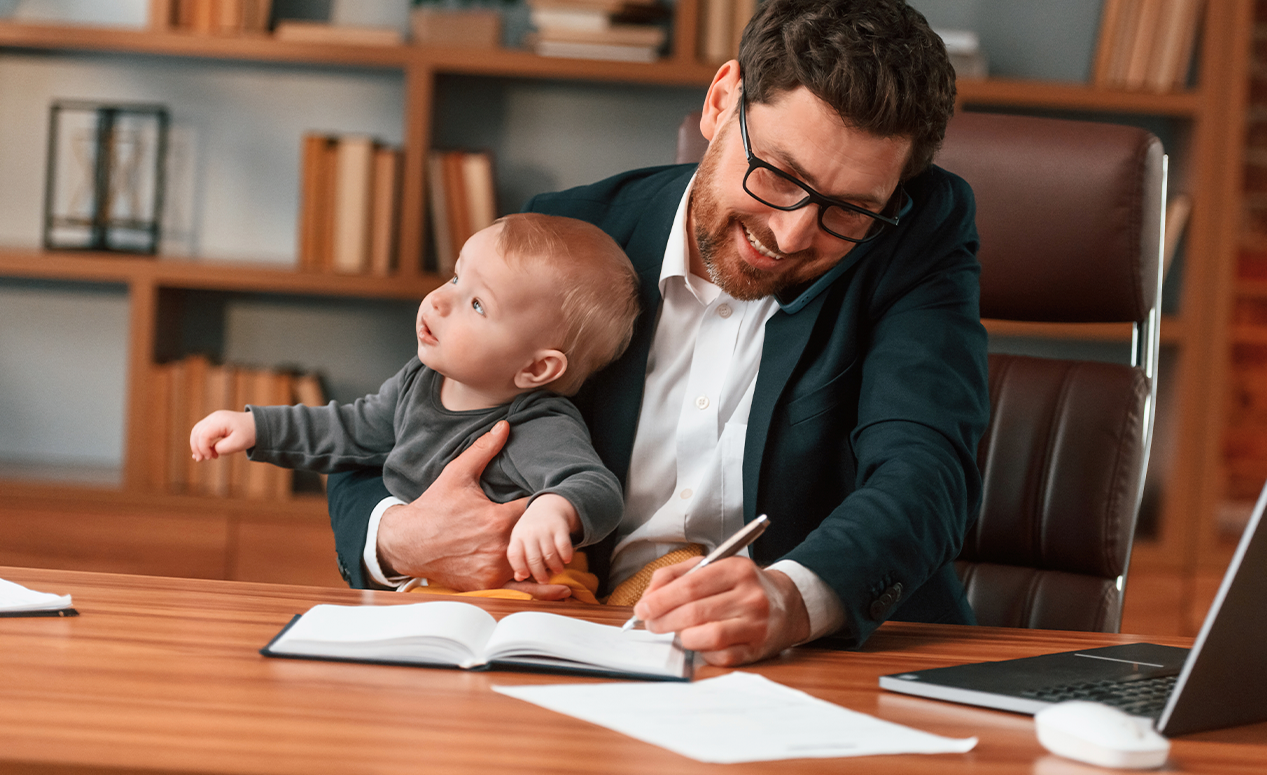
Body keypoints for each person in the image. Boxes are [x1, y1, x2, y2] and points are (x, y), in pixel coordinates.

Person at [327, 0, 990, 666]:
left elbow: (926, 473)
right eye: (781, 175)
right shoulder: (566, 241)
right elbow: (381, 432)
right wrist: (401, 536)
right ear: (721, 101)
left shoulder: (912, 237)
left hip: (825, 666)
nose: (791, 234)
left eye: (848, 210)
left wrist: (791, 598)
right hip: (573, 648)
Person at [191, 213, 640, 597]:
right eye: (455, 277)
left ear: (536, 370)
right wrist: (258, 428)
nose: (441, 300)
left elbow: (595, 488)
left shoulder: (538, 423)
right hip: (433, 583)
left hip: (528, 588)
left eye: (478, 305)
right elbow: (350, 430)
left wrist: (553, 509)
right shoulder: (418, 381)